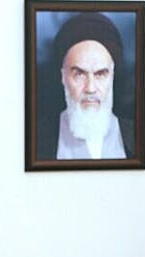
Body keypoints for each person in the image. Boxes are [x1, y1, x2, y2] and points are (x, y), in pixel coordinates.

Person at [35, 12, 135, 160]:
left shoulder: (139, 134)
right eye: (79, 74)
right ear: (63, 77)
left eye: (100, 74)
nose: (90, 88)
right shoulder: (37, 138)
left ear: (112, 77)